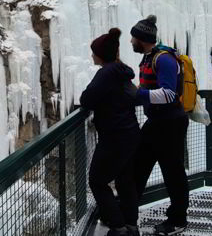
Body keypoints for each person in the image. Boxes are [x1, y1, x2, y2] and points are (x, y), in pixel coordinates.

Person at [130, 15, 189, 235]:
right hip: (156, 122)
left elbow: (169, 94)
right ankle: (127, 213)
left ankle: (178, 219)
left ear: (142, 38)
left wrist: (137, 96)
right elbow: (148, 86)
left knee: (173, 172)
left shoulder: (163, 59)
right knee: (138, 165)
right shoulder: (148, 58)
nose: (131, 41)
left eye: (133, 37)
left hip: (171, 123)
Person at [80, 28, 142, 236]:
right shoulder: (121, 70)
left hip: (115, 136)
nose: (92, 55)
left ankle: (118, 226)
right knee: (125, 181)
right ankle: (131, 224)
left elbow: (87, 99)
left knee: (96, 180)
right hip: (130, 132)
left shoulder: (106, 73)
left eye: (94, 52)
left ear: (101, 54)